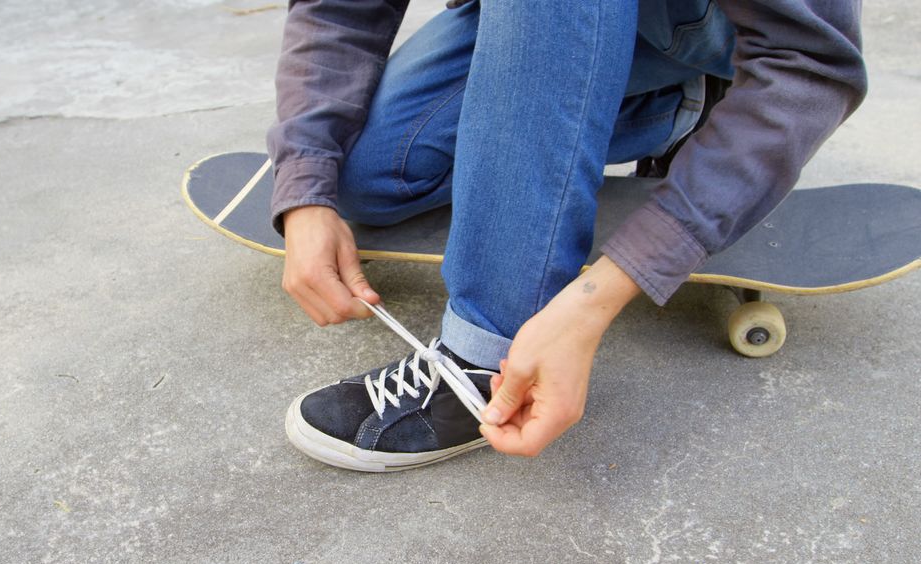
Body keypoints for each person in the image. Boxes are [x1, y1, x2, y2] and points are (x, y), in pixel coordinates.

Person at [268, 0, 866, 471]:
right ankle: (671, 111)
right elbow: (339, 8)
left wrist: (596, 298)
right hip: (538, 19)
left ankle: (485, 353)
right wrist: (305, 185)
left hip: (706, 24)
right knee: (369, 174)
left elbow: (808, 62)